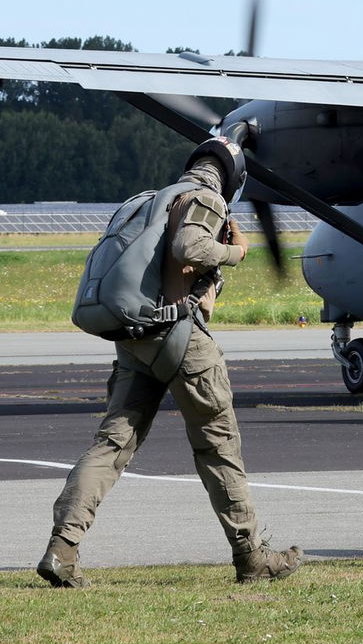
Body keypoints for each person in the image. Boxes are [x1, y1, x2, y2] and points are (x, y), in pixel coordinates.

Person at [39, 137, 302, 587]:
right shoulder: (204, 198)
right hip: (181, 339)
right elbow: (190, 248)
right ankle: (251, 556)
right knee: (219, 448)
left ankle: (62, 549)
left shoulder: (152, 201)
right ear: (233, 178)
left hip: (136, 340)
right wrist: (235, 253)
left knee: (111, 445)